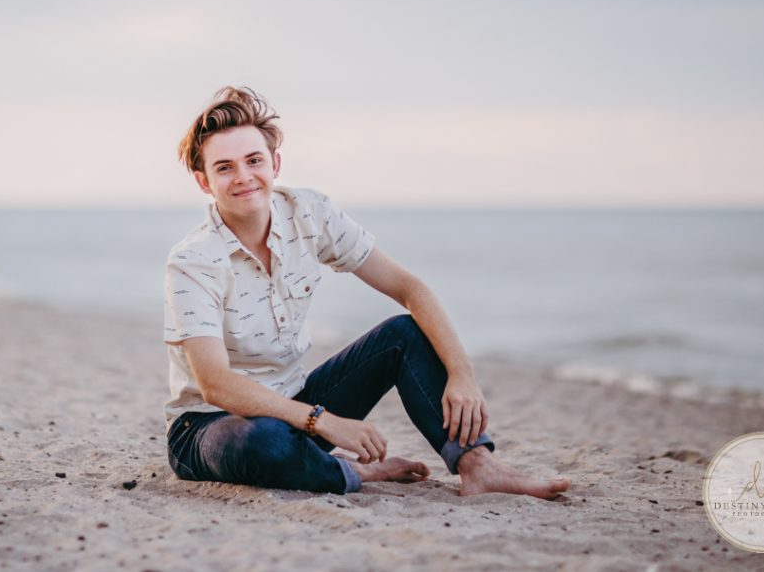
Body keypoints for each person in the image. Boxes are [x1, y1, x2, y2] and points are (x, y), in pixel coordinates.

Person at [163, 86, 572, 498]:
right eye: (225, 168)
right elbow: (215, 384)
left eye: (254, 161)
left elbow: (409, 288)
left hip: (295, 408)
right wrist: (322, 421)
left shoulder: (308, 212)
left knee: (404, 334)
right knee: (264, 440)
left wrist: (462, 375)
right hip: (210, 427)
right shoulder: (193, 261)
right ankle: (356, 473)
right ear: (204, 182)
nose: (244, 177)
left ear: (276, 164)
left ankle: (478, 465)